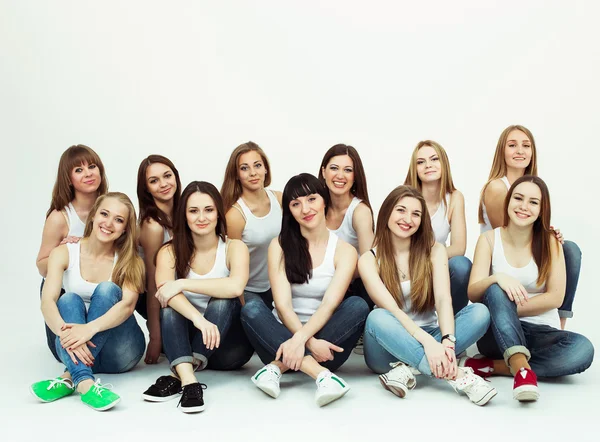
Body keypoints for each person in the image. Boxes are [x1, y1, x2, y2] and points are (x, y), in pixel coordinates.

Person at [360, 185, 496, 406]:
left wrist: (447, 344)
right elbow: (392, 310)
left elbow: (443, 300)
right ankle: (457, 376)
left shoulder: (435, 250)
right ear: (387, 213)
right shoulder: (369, 259)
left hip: (431, 333)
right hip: (387, 345)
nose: (408, 219)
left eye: (416, 214)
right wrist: (430, 345)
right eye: (401, 210)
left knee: (480, 312)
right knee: (377, 317)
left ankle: (411, 369)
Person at [241, 173, 369, 407]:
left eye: (311, 199)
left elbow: (330, 304)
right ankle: (321, 376)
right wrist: (307, 343)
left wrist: (304, 341)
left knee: (358, 306)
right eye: (295, 204)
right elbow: (282, 305)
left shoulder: (345, 251)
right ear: (289, 211)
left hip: (327, 346)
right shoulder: (279, 246)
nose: (305, 209)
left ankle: (274, 370)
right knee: (251, 309)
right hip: (278, 341)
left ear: (324, 201)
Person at [465, 176, 593, 401]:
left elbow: (555, 298)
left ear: (542, 209)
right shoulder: (488, 239)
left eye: (533, 202)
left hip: (542, 332)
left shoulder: (550, 241)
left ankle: (499, 367)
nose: (524, 206)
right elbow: (474, 292)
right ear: (508, 201)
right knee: (495, 289)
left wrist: (504, 310)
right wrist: (498, 279)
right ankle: (522, 371)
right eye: (518, 198)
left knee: (583, 349)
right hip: (497, 336)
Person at [142, 181, 253, 413]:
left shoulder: (234, 247)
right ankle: (190, 381)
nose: (201, 217)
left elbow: (235, 287)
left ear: (218, 213)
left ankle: (180, 371)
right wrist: (199, 320)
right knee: (170, 307)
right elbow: (165, 294)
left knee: (224, 300)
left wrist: (182, 283)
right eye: (193, 211)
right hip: (188, 337)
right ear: (184, 215)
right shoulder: (169, 251)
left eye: (208, 210)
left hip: (228, 348)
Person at [30, 192, 146, 411]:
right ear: (93, 215)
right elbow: (47, 301)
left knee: (107, 290)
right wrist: (66, 334)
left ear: (125, 229)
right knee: (68, 299)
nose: (109, 223)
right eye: (104, 214)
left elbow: (127, 306)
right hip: (74, 346)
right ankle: (84, 382)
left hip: (120, 353)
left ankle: (68, 376)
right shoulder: (64, 252)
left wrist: (88, 330)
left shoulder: (130, 260)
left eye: (119, 220)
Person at [478, 125, 581, 328]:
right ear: (502, 151)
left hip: (525, 256)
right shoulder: (497, 187)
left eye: (526, 146)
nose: (520, 151)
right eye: (512, 145)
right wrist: (546, 238)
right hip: (504, 264)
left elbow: (532, 231)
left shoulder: (535, 185)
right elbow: (512, 236)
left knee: (569, 250)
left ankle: (558, 326)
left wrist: (551, 238)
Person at [36, 144, 108, 361]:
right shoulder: (60, 217)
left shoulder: (110, 208)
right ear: (68, 179)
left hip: (98, 291)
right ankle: (76, 361)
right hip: (69, 295)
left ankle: (81, 361)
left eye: (92, 167)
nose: (88, 174)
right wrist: (64, 252)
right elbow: (41, 266)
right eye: (78, 170)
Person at [404, 140, 470, 313]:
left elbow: (458, 248)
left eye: (434, 159)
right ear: (415, 168)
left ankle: (450, 324)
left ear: (443, 163)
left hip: (436, 265)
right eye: (421, 162)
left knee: (461, 266)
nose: (428, 165)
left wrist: (430, 259)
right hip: (406, 267)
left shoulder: (454, 198)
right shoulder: (405, 196)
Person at [221, 141, 282, 307]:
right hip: (249, 290)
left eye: (257, 165)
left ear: (265, 168)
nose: (253, 173)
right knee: (253, 311)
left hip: (280, 285)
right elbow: (231, 268)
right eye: (244, 168)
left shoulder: (280, 199)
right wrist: (243, 308)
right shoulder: (235, 215)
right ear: (236, 174)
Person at [136, 155, 182, 364]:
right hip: (155, 297)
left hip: (178, 290)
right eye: (154, 181)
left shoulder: (184, 212)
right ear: (146, 188)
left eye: (167, 176)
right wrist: (155, 337)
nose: (163, 184)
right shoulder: (152, 226)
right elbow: (153, 285)